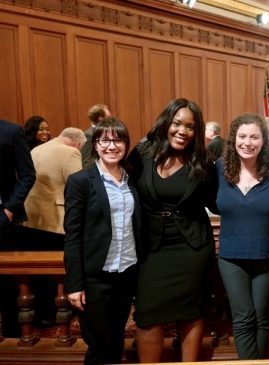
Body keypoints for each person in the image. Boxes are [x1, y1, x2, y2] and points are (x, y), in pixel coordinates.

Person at [128, 98, 217, 363]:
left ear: (197, 131)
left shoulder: (203, 162)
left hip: (191, 248)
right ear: (166, 123)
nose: (182, 131)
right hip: (152, 247)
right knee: (147, 314)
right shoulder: (142, 155)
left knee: (191, 312)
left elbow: (216, 201)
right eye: (177, 123)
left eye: (190, 126)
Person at [64, 118, 141, 365]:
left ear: (126, 144)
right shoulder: (81, 181)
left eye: (117, 140)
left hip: (127, 273)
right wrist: (74, 283)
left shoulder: (132, 179)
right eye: (104, 140)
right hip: (95, 276)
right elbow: (73, 235)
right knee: (100, 344)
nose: (111, 146)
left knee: (117, 339)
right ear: (95, 145)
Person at [216, 113, 269, 359]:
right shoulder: (221, 168)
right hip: (231, 256)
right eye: (242, 136)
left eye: (254, 137)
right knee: (243, 317)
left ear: (264, 140)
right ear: (233, 140)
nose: (248, 142)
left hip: (266, 253)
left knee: (262, 315)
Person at [21, 127, 86, 250]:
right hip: (55, 222)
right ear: (77, 144)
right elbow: (78, 186)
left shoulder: (36, 149)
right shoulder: (71, 152)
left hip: (30, 217)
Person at [0, 119, 36, 337]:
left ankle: (14, 339)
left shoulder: (11, 131)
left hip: (2, 218)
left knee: (5, 284)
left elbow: (28, 175)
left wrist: (9, 209)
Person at [81, 104, 112, 168]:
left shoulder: (105, 132)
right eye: (108, 117)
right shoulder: (89, 135)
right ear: (100, 118)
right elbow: (87, 161)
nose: (111, 120)